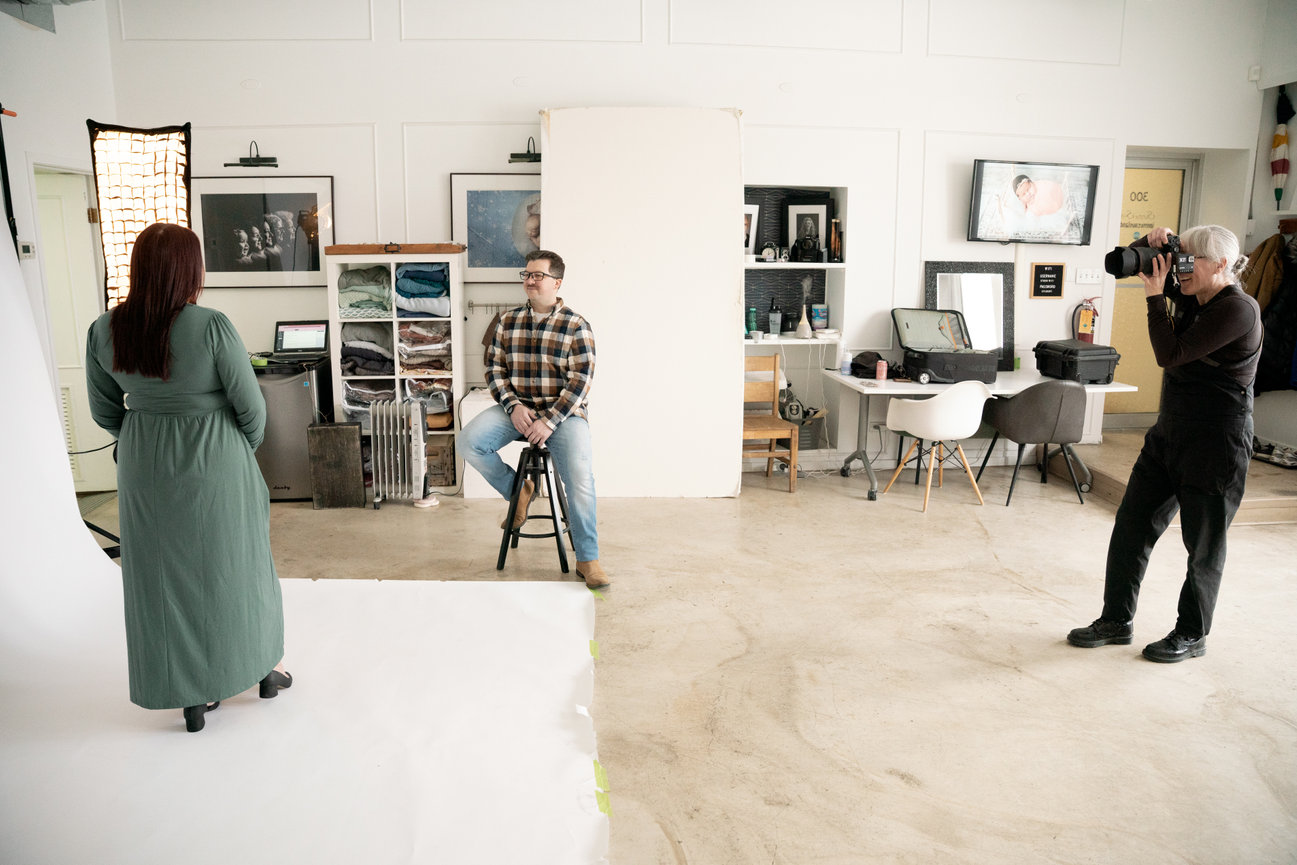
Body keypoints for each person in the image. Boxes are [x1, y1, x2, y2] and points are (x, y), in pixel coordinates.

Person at [85, 222, 292, 732]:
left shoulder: (105, 329)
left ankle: (189, 692)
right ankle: (261, 670)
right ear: (189, 270)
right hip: (214, 455)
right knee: (236, 565)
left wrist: (142, 432)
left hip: (143, 460)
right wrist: (233, 450)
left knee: (161, 576)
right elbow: (252, 408)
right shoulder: (211, 325)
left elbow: (104, 410)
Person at [1068, 225, 1262, 662]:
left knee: (1204, 546)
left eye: (1192, 261)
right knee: (1131, 529)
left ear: (1222, 264)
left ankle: (1192, 634)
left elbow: (1169, 353)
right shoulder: (1194, 291)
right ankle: (1116, 620)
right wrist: (1149, 242)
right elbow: (1129, 264)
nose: (1181, 270)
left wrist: (1156, 298)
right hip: (1168, 435)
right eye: (1182, 258)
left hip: (1217, 444)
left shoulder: (1239, 310)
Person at [461, 249, 610, 590]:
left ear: (557, 282)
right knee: (469, 442)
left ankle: (588, 559)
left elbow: (581, 381)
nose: (529, 280)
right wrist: (512, 406)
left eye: (537, 275)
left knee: (580, 479)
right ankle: (520, 490)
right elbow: (494, 369)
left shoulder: (576, 325)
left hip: (563, 415)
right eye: (526, 275)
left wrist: (551, 421)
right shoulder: (507, 321)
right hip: (517, 410)